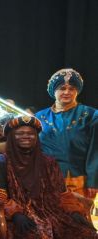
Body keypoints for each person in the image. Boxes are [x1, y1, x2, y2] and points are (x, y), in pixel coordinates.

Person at [35, 68, 96, 198]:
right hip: (46, 179)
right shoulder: (39, 117)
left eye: (72, 89)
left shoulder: (91, 115)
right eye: (62, 88)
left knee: (77, 217)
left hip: (79, 181)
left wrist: (93, 181)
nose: (67, 92)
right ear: (54, 91)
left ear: (77, 91)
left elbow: (95, 151)